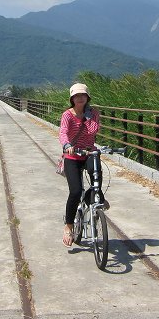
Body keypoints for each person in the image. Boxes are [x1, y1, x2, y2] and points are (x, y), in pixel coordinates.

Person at [58, 82, 107, 247]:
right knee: (75, 191)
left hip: (89, 152)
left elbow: (93, 131)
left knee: (96, 178)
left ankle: (95, 195)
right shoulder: (67, 115)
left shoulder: (93, 113)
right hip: (72, 156)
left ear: (87, 98)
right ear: (72, 98)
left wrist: (87, 116)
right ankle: (69, 226)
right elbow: (63, 132)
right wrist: (67, 146)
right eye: (77, 96)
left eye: (83, 95)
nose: (80, 98)